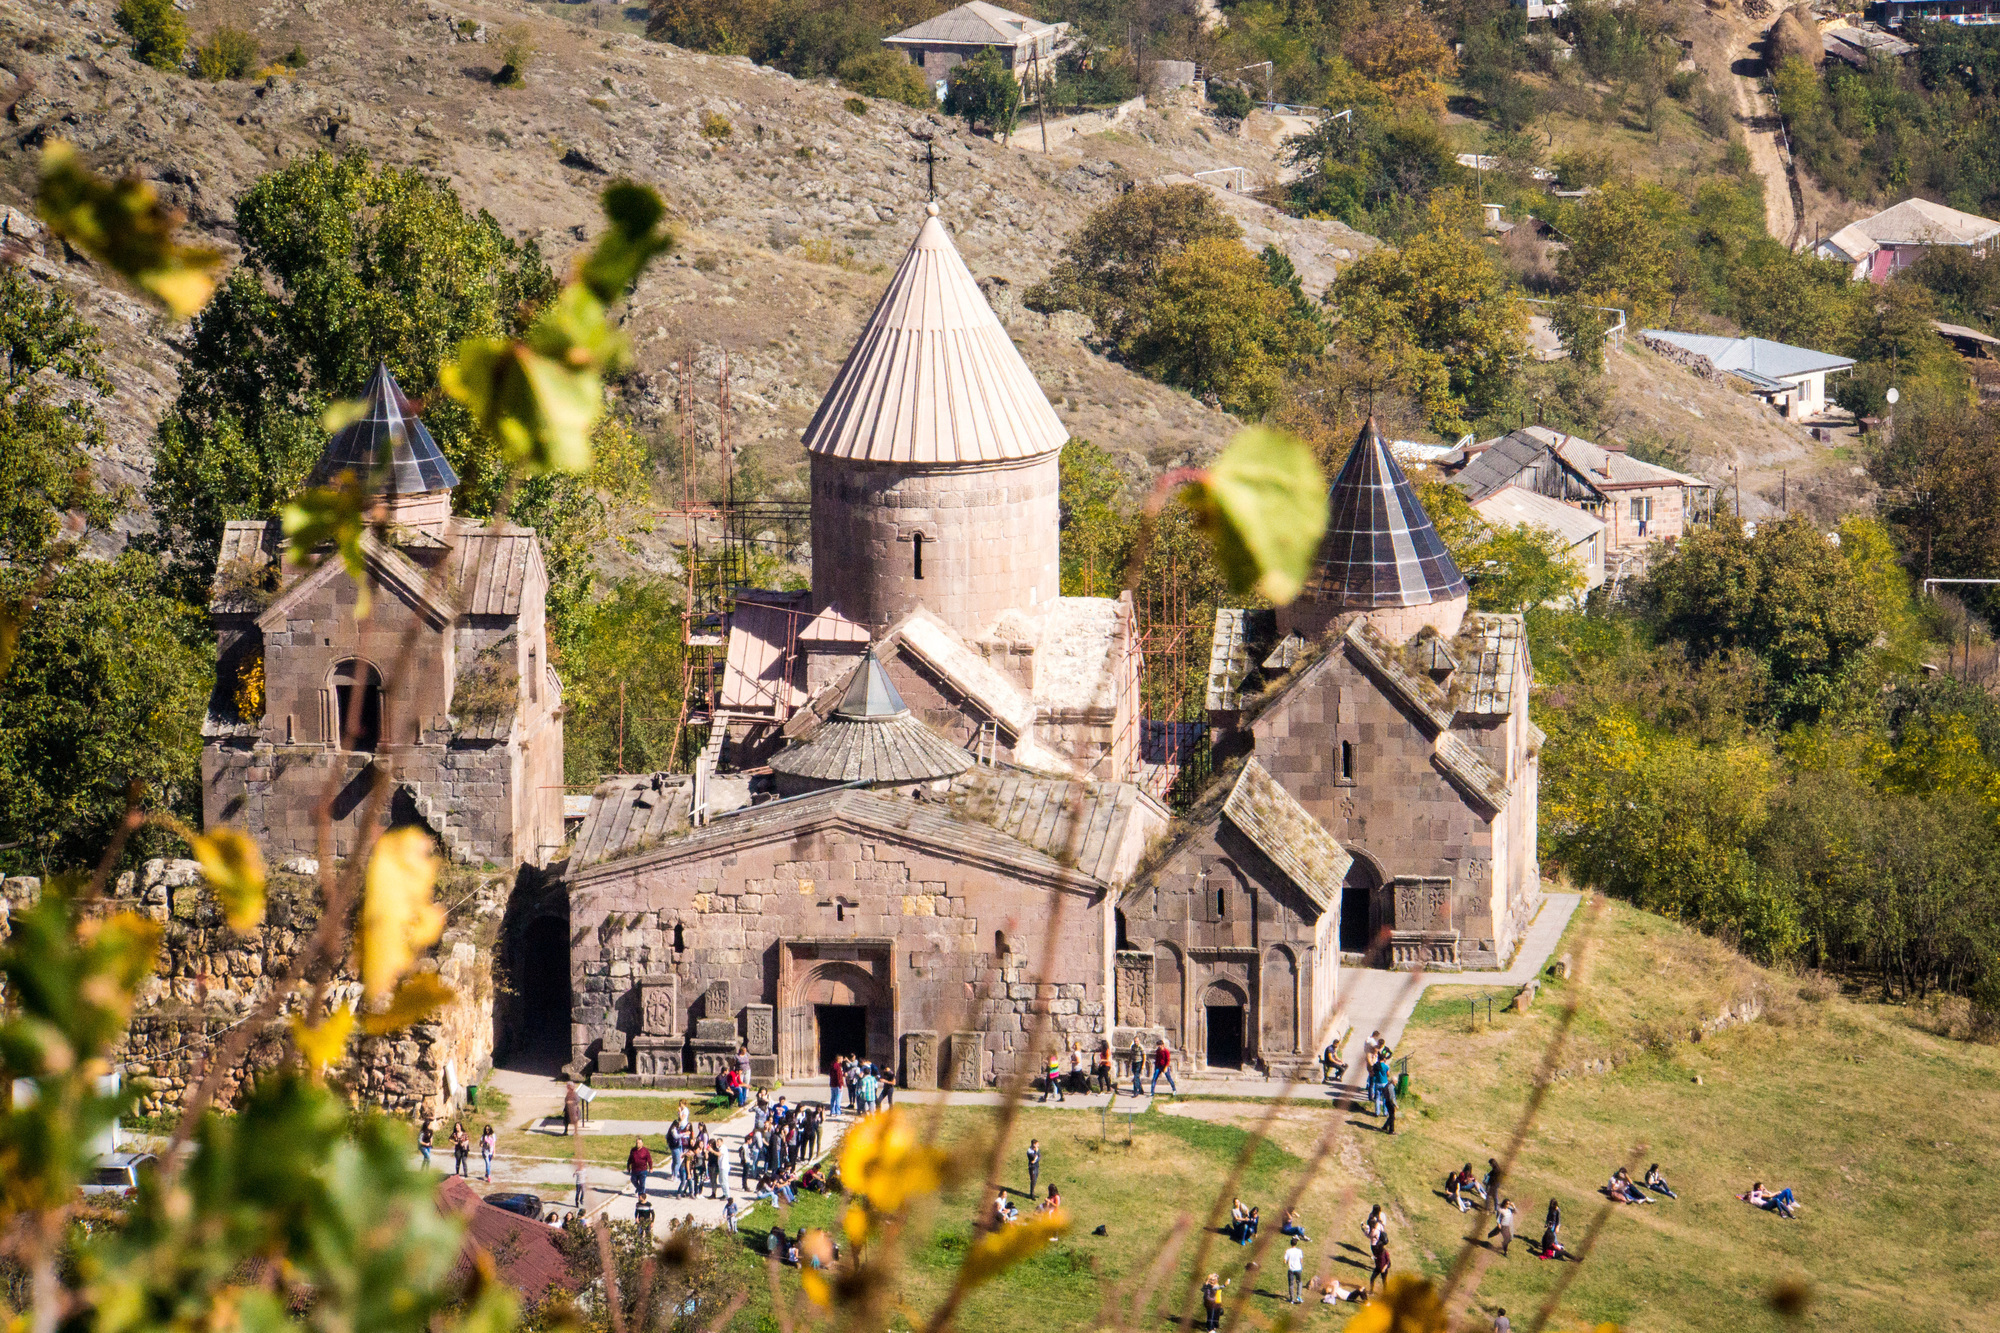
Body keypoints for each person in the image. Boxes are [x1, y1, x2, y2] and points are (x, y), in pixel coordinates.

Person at [1284, 1238, 1305, 1305]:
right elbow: (1301, 1260)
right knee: (1299, 1283)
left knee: (1291, 1284)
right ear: (1296, 1243)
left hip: (1291, 1270)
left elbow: (1284, 1261)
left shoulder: (1288, 1251)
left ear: (1291, 1243)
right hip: (1298, 1269)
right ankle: (1298, 1296)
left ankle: (1291, 1299)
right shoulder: (1299, 1251)